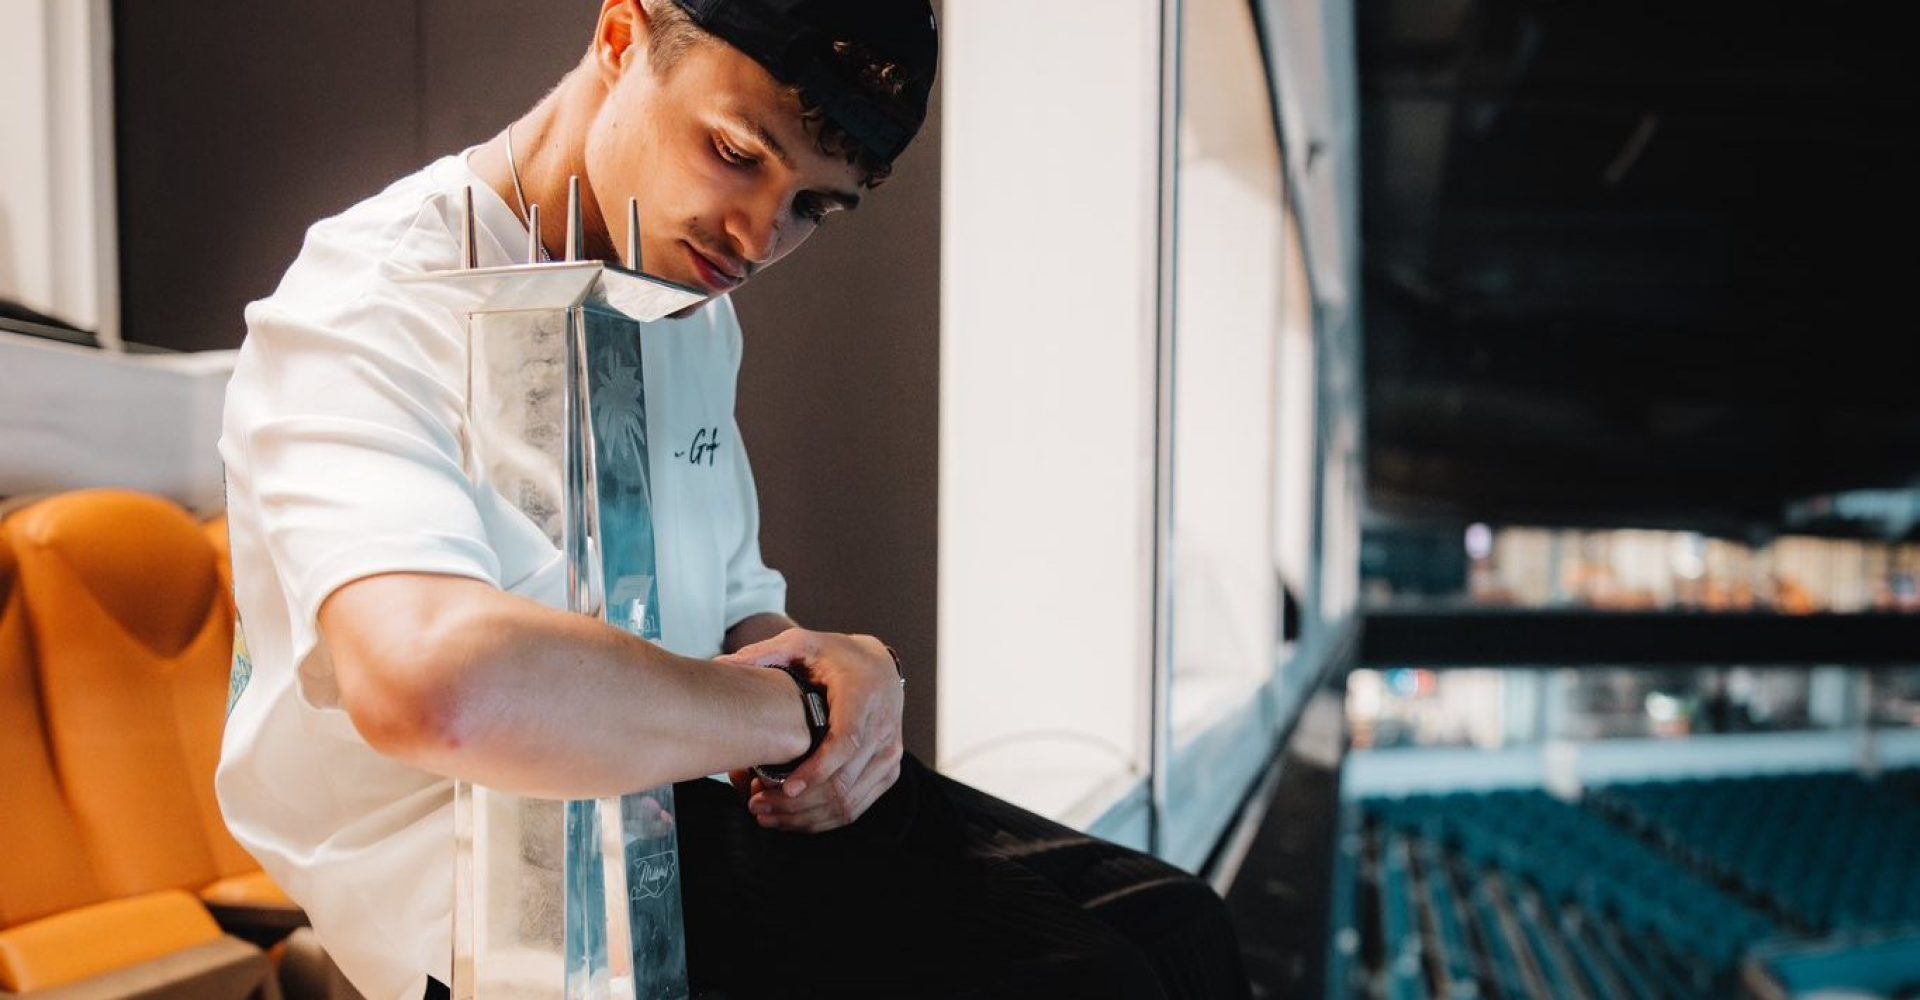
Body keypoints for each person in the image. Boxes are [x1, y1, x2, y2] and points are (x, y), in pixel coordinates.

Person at [214, 2, 1251, 998]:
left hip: (693, 794)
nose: (758, 236)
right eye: (738, 155)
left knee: (1178, 923)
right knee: (1087, 982)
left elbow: (732, 607)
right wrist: (784, 709)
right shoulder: (370, 299)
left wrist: (844, 670)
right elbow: (432, 684)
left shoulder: (692, 310)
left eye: (813, 206)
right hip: (475, 863)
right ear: (621, 35)